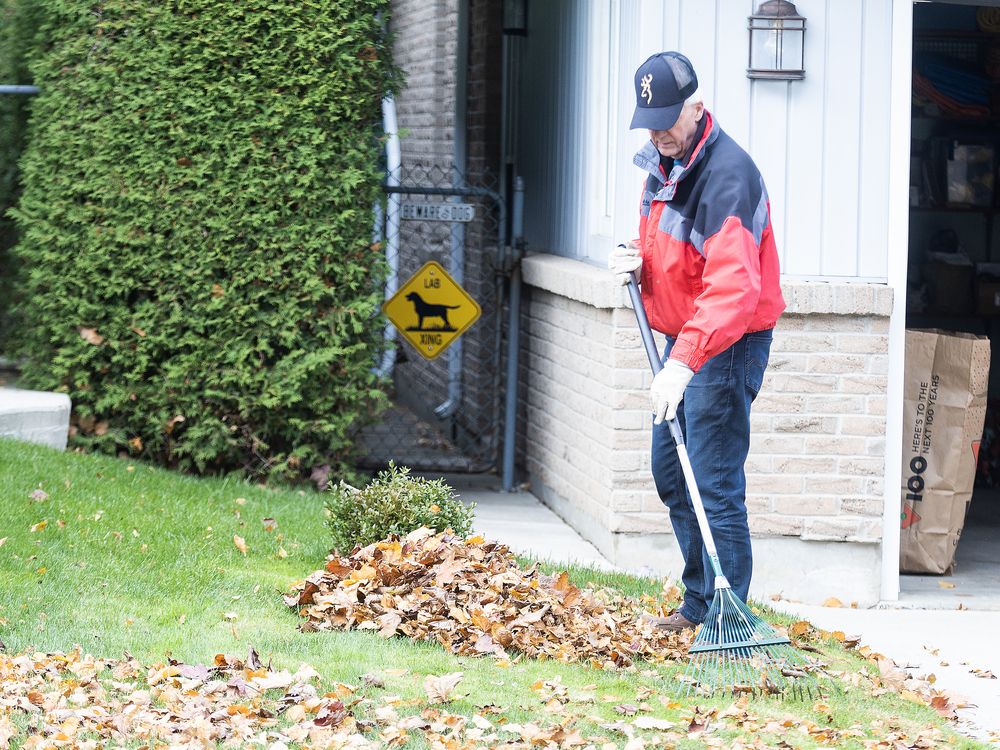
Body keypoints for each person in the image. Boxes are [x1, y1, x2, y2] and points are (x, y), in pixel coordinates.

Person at [608, 51, 785, 631]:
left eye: (666, 118)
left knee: (712, 481)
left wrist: (684, 361)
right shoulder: (666, 165)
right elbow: (678, 253)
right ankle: (700, 602)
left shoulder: (728, 176)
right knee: (671, 473)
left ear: (697, 108)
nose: (657, 131)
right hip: (685, 341)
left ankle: (728, 620)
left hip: (725, 345)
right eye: (649, 119)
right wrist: (640, 265)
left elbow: (733, 287)